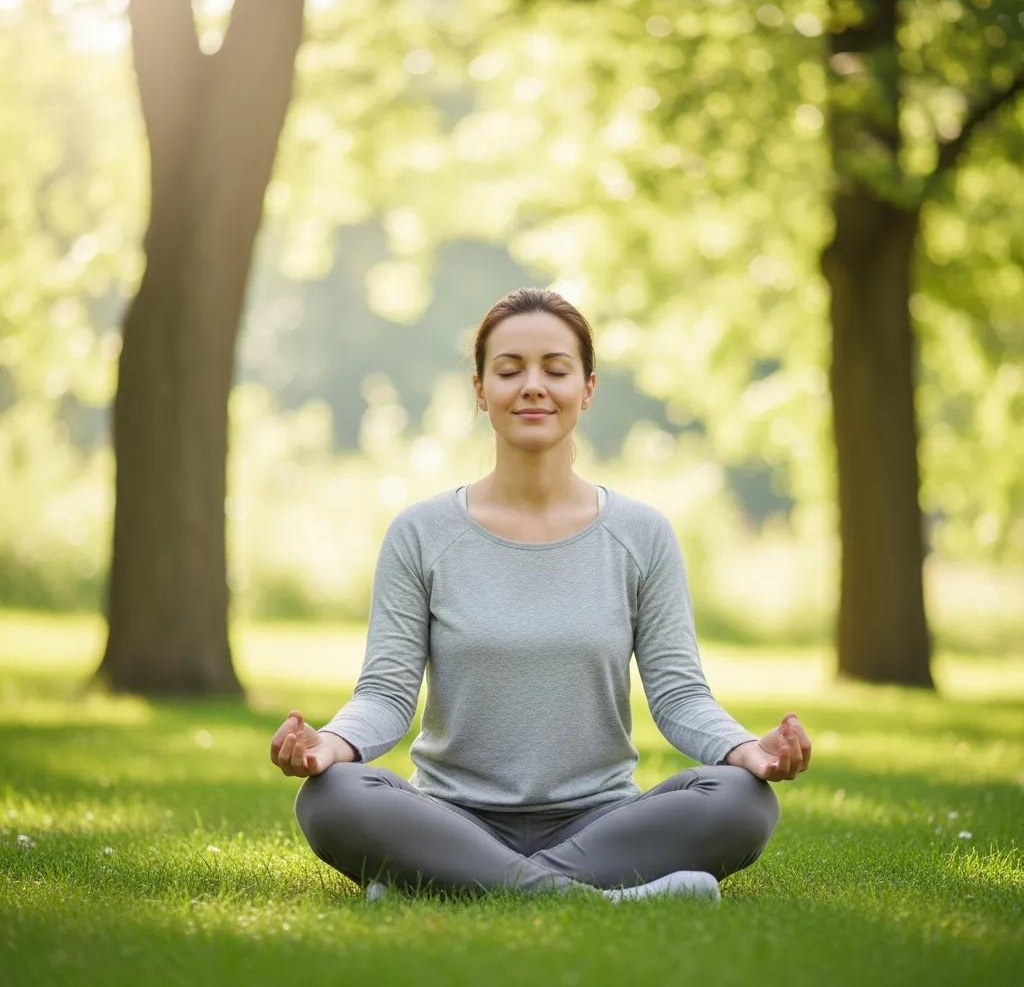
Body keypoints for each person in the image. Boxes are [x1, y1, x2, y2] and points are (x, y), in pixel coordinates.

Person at [271, 287, 812, 904]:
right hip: (452, 819)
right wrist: (330, 745)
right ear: (480, 390)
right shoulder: (421, 534)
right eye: (509, 371)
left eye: (556, 370)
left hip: (601, 823)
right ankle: (602, 897)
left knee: (743, 801)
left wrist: (747, 750)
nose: (533, 386)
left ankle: (443, 886)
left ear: (587, 388)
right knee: (333, 797)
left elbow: (680, 694)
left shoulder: (642, 535)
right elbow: (386, 694)